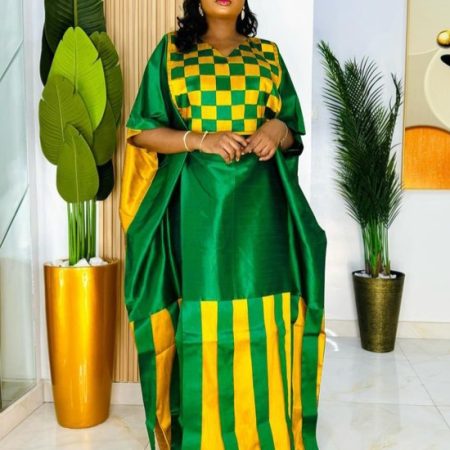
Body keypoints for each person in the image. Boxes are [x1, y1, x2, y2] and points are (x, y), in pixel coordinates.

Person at [119, 1, 327, 449]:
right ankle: (200, 436)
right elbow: (141, 131)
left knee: (265, 317)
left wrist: (277, 130)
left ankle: (269, 431)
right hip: (197, 213)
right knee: (202, 318)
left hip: (262, 218)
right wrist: (201, 139)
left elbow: (293, 134)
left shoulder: (268, 55)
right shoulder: (172, 53)